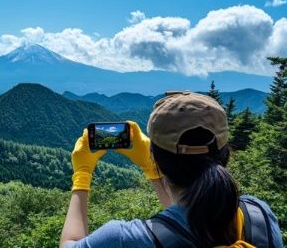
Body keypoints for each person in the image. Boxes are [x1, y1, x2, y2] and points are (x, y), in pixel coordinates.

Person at [59, 91, 283, 248]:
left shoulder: (125, 239)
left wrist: (82, 175)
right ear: (226, 154)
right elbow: (185, 226)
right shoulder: (258, 214)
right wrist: (153, 167)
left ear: (155, 156)